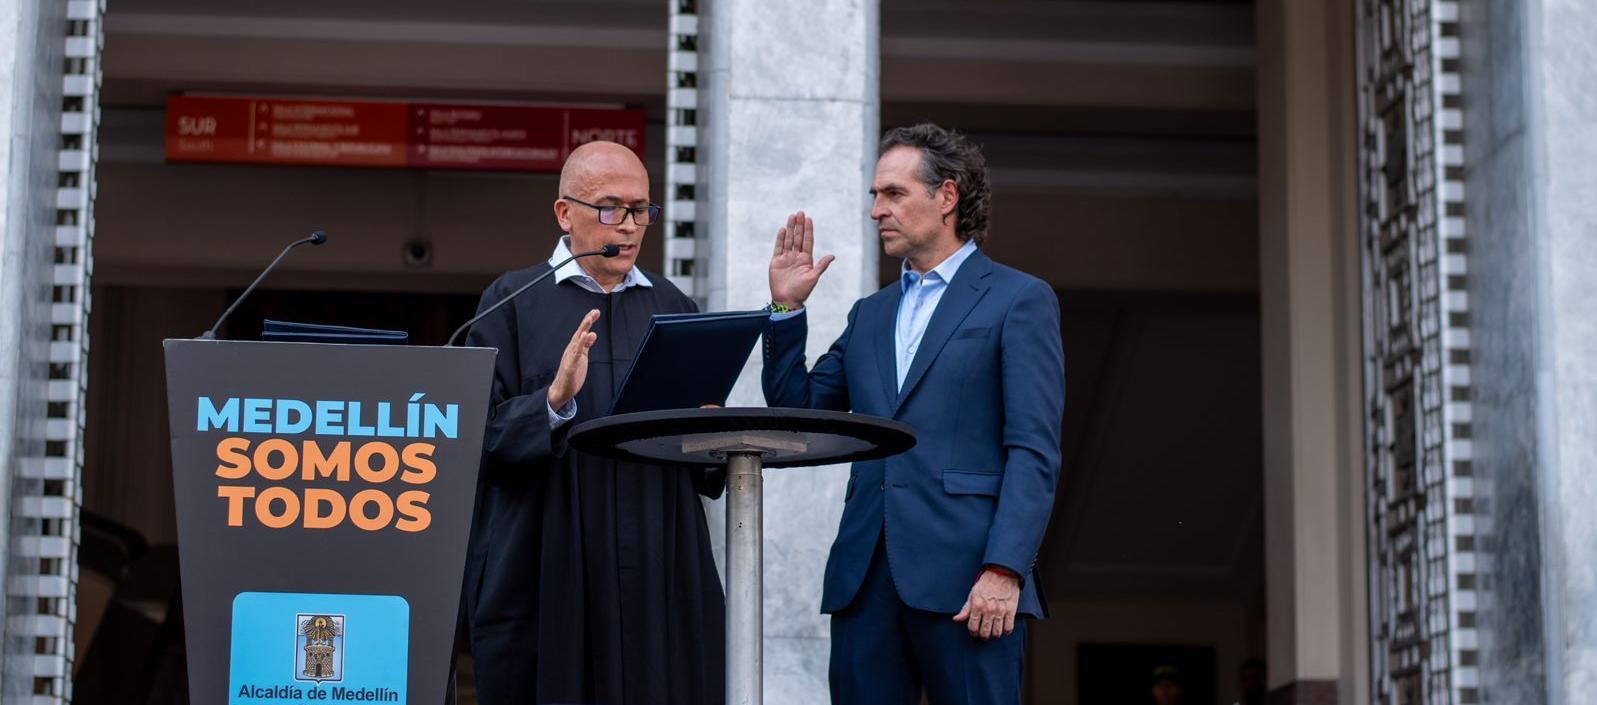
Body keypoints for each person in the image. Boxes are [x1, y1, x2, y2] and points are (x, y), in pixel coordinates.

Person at [761, 123, 1065, 704]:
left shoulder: (1019, 299)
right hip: (864, 580)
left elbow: (1033, 449)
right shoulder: (869, 313)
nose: (877, 210)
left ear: (947, 196)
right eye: (875, 196)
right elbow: (797, 415)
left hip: (972, 582)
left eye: (894, 194)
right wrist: (785, 308)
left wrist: (1005, 569)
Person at [462, 141, 725, 704]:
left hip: (657, 556)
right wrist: (553, 402)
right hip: (548, 559)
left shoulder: (673, 305)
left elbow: (700, 465)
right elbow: (475, 441)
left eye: (642, 210)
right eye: (611, 209)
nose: (630, 226)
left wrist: (708, 434)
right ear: (565, 213)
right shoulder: (511, 302)